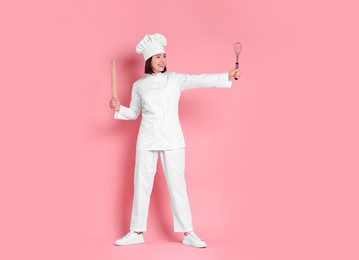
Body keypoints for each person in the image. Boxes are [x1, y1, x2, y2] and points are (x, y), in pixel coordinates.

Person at [109, 33, 240, 248]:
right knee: (141, 185)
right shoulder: (139, 85)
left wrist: (227, 76)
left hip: (173, 140)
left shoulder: (175, 79)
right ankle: (136, 231)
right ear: (149, 60)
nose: (162, 60)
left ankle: (188, 233)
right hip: (146, 140)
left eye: (164, 56)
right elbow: (133, 113)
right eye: (158, 57)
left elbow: (200, 79)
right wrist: (119, 109)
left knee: (177, 186)